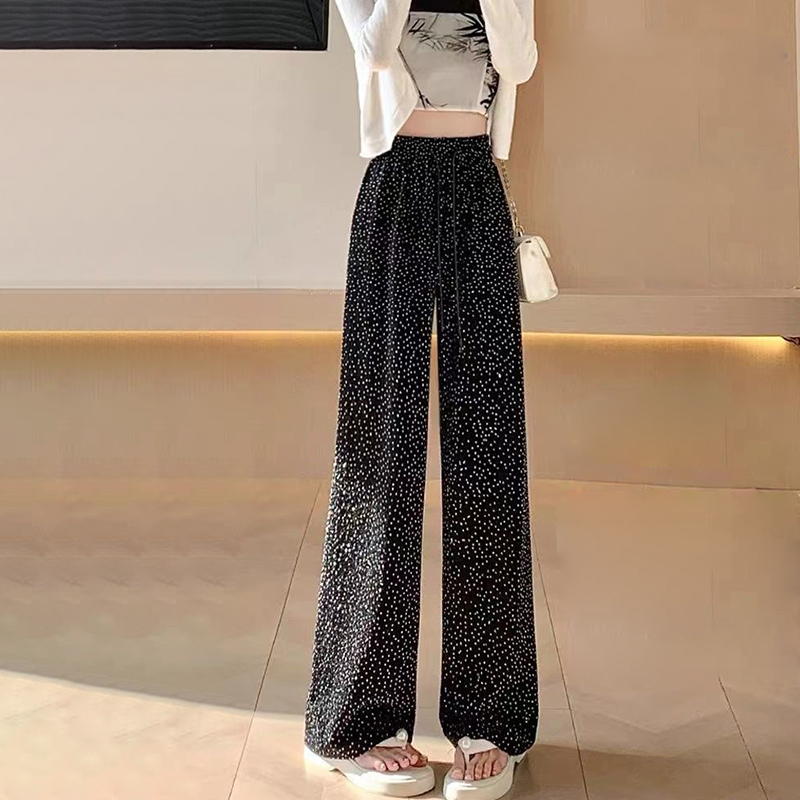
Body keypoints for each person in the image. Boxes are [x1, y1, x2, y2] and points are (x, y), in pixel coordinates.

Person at [303, 0, 540, 796]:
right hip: (396, 187)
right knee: (380, 455)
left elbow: (521, 61)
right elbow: (374, 47)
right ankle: (357, 720)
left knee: (489, 453)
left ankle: (488, 718)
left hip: (477, 188)